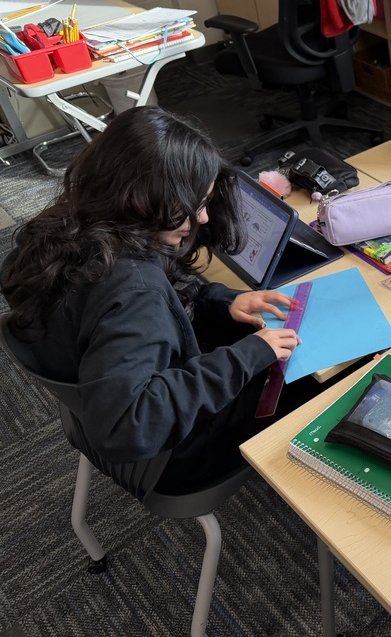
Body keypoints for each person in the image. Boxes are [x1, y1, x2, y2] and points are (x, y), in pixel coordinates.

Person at [1, 106, 309, 487]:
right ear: (145, 200)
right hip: (170, 456)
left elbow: (123, 313)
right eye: (196, 205)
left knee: (249, 342)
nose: (204, 219)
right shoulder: (134, 290)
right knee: (317, 381)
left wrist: (218, 301)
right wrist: (249, 356)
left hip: (95, 409)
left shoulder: (59, 228)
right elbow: (127, 427)